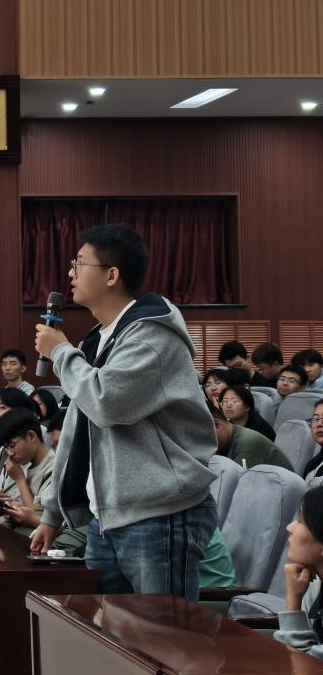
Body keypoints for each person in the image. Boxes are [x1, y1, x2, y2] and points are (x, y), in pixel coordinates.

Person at [33, 223, 217, 600]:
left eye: (80, 263)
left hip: (160, 516)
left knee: (163, 633)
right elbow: (76, 430)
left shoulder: (152, 335)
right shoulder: (100, 339)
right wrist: (52, 515)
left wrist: (61, 353)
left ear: (111, 275)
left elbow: (107, 402)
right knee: (108, 634)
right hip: (107, 519)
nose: (70, 272)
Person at [274, 487, 323, 659]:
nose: (289, 527)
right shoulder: (316, 586)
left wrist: (293, 600)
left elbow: (305, 667)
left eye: (300, 521)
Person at [209, 402, 293, 471]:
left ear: (216, 425)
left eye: (202, 436)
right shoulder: (226, 441)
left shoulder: (247, 442)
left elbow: (238, 484)